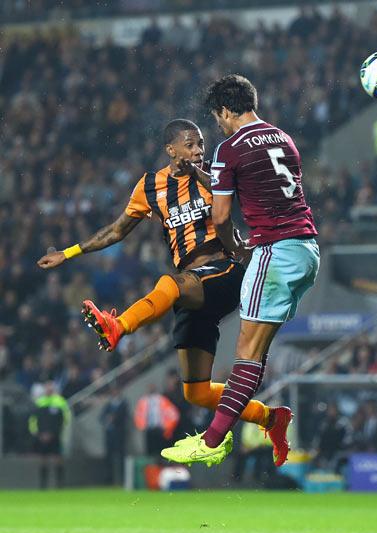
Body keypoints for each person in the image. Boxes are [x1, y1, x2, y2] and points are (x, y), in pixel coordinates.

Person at [37, 119, 280, 450]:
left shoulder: (213, 173)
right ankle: (271, 418)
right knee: (196, 391)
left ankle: (118, 326)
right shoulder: (151, 186)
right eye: (190, 144)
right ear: (171, 149)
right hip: (192, 289)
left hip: (225, 271)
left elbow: (231, 195)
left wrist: (197, 172)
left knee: (170, 283)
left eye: (201, 145)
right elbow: (116, 230)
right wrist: (68, 253)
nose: (198, 150)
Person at [162, 75, 319, 467]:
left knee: (245, 354)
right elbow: (263, 184)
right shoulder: (284, 138)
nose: (219, 126)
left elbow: (220, 216)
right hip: (307, 251)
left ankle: (212, 442)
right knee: (257, 351)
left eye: (218, 118)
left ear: (226, 110)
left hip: (274, 251)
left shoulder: (229, 148)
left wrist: (238, 251)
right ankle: (272, 419)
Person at [28, 381, 70, 488]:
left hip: (56, 435)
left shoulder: (60, 401)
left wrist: (56, 433)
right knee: (43, 460)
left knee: (58, 459)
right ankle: (43, 485)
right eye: (47, 387)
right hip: (42, 437)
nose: (49, 389)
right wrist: (38, 434)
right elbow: (33, 420)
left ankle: (60, 484)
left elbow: (65, 419)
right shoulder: (39, 402)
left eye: (50, 387)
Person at [134, 384, 179, 457]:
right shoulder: (143, 401)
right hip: (149, 429)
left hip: (160, 429)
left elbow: (173, 414)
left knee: (160, 451)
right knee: (150, 452)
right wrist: (141, 426)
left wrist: (167, 427)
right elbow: (138, 414)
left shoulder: (161, 399)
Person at [100, 385, 129, 485]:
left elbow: (125, 418)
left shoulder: (123, 404)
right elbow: (101, 417)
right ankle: (109, 479)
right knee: (109, 457)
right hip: (109, 434)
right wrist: (106, 419)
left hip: (119, 434)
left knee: (121, 457)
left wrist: (115, 419)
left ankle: (123, 479)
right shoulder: (108, 404)